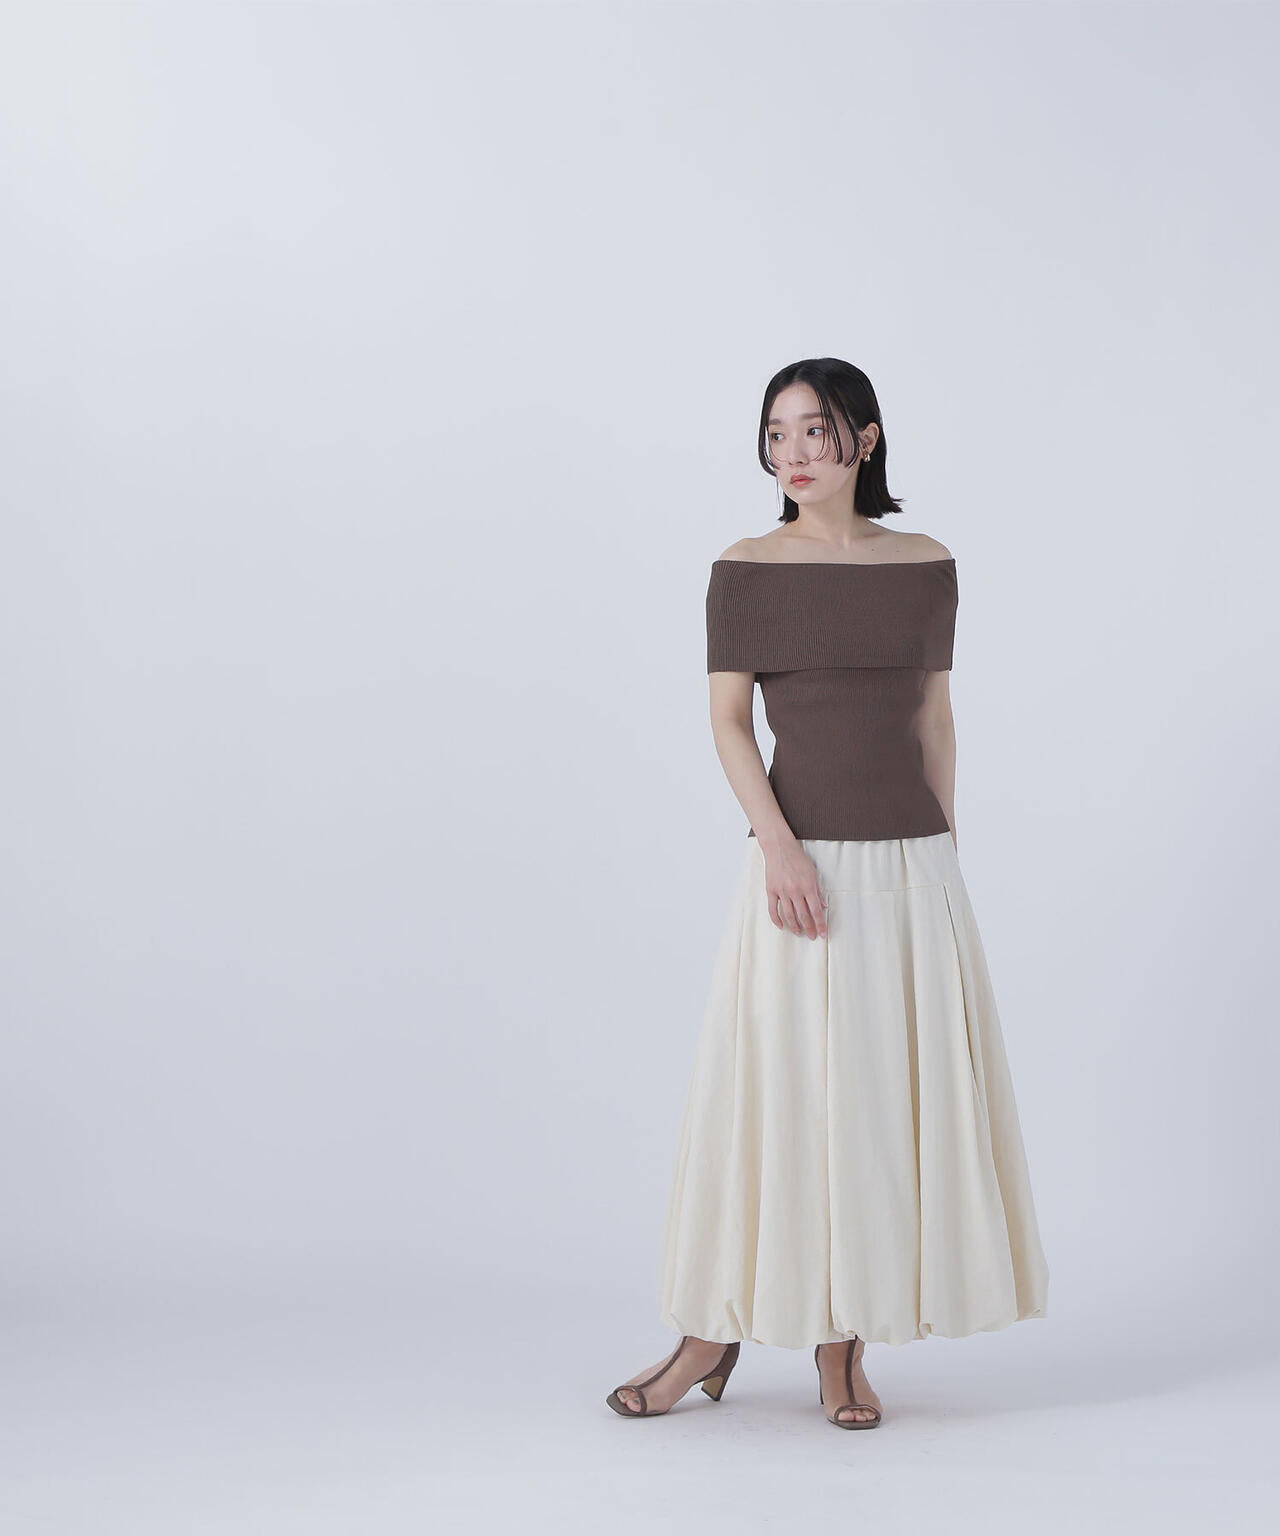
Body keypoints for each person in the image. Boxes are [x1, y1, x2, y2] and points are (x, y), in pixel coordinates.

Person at [605, 357, 1050, 1429]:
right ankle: (707, 1332)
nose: (792, 453)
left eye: (813, 430)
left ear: (865, 437)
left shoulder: (925, 563)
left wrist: (943, 858)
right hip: (797, 866)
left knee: (875, 1107)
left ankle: (842, 1346)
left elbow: (935, 720)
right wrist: (779, 847)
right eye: (776, 434)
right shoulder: (745, 569)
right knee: (774, 1099)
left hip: (910, 869)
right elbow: (727, 723)